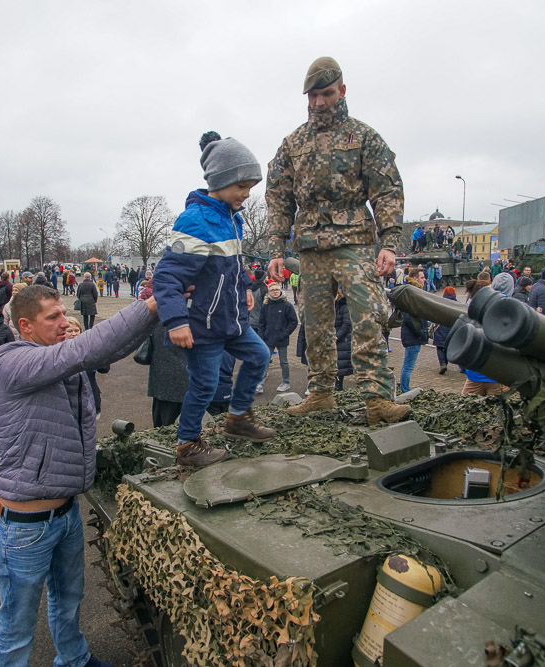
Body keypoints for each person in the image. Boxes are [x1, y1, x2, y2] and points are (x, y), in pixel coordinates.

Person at [0, 285, 156, 667]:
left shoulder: (55, 358)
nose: (65, 323)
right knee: (16, 624)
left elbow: (106, 350)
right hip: (23, 527)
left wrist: (157, 312)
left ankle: (74, 659)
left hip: (64, 515)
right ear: (25, 325)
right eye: (54, 317)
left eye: (65, 313)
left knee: (68, 602)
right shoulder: (8, 361)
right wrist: (150, 304)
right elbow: (85, 350)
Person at [266, 56, 410, 426]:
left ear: (342, 91)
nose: (319, 103)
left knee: (367, 317)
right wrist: (276, 249)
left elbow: (387, 190)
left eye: (326, 94)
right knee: (315, 324)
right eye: (313, 96)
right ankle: (321, 394)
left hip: (354, 243)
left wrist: (391, 242)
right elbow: (279, 196)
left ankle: (377, 397)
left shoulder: (363, 138)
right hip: (310, 247)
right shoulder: (293, 143)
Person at [152, 131, 275, 467]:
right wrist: (176, 320)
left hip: (231, 321)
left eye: (251, 188)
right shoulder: (197, 220)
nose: (246, 195)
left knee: (259, 356)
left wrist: (247, 288)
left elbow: (230, 266)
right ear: (220, 181)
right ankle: (188, 444)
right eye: (242, 187)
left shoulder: (232, 218)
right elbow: (167, 276)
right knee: (204, 386)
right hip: (202, 325)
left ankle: (237, 419)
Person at [257, 282, 298, 393]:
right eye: (272, 290)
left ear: (280, 290)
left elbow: (293, 322)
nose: (275, 291)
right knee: (264, 361)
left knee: (283, 361)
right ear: (269, 292)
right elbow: (261, 322)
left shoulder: (287, 305)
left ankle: (286, 382)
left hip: (281, 338)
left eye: (277, 289)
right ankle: (260, 383)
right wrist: (262, 336)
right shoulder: (266, 305)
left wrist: (284, 334)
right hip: (268, 338)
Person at [432, 286, 459, 374]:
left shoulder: (440, 302)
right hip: (451, 329)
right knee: (447, 347)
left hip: (440, 328)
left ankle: (442, 364)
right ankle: (445, 363)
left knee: (439, 347)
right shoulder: (457, 304)